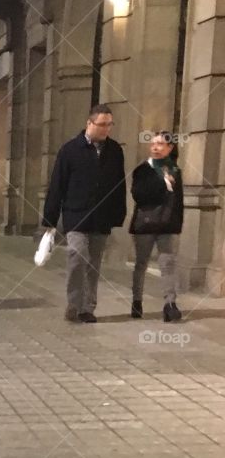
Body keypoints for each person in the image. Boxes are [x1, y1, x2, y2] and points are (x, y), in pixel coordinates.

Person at [41, 103, 126, 323]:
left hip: (102, 217)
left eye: (109, 125)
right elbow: (57, 185)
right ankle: (73, 303)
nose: (106, 129)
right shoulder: (69, 150)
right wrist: (50, 219)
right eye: (102, 124)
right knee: (77, 256)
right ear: (89, 123)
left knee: (93, 264)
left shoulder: (115, 150)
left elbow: (119, 184)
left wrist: (118, 214)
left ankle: (87, 308)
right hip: (76, 214)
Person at [130, 130, 184, 323]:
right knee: (141, 264)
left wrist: (177, 224)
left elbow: (178, 201)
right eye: (153, 143)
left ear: (170, 148)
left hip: (167, 225)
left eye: (160, 144)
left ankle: (170, 304)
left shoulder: (175, 170)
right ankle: (137, 301)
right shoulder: (142, 170)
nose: (155, 147)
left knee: (167, 264)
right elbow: (139, 194)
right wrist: (162, 183)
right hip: (145, 224)